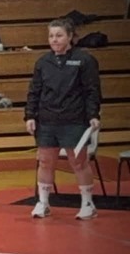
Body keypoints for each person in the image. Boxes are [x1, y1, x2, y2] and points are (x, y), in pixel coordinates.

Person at [25, 18, 102, 220]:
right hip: (47, 120)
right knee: (45, 161)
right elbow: (34, 91)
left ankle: (88, 204)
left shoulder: (84, 60)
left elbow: (92, 90)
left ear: (70, 37)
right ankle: (43, 203)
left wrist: (93, 115)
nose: (54, 39)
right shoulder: (43, 62)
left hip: (74, 119)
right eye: (51, 36)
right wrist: (30, 115)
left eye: (59, 35)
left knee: (79, 162)